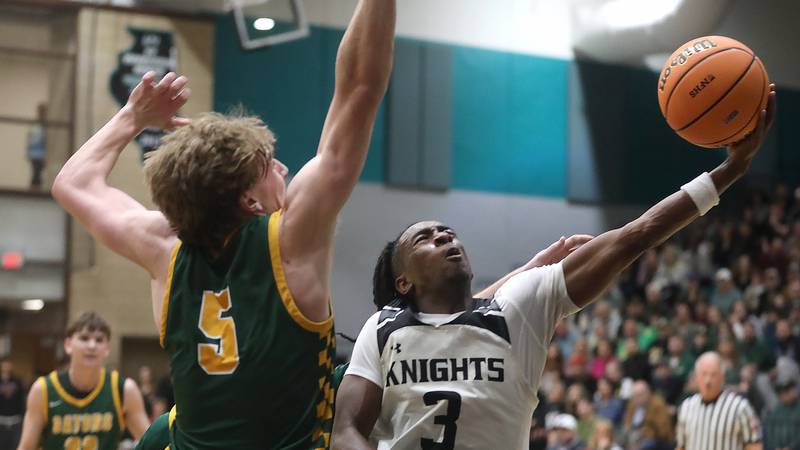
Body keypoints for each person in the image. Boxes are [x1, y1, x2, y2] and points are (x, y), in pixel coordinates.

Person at [332, 86, 776, 449]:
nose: (445, 236)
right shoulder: (383, 328)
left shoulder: (516, 309)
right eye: (424, 238)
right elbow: (347, 430)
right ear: (403, 280)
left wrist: (732, 170)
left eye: (447, 230)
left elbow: (634, 235)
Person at [51, 0, 395, 447]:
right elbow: (361, 88)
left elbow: (72, 185)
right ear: (249, 200)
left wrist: (132, 117)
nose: (286, 170)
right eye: (271, 165)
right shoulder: (289, 240)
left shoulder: (162, 250)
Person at [16, 312, 149, 450]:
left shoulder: (124, 389)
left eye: (99, 340)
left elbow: (151, 444)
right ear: (68, 345)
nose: (92, 346)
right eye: (84, 338)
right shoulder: (42, 390)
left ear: (107, 349)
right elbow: (26, 447)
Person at [676, 352, 762, 450]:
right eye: (704, 374)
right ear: (696, 377)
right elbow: (681, 446)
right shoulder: (686, 407)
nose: (707, 380)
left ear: (723, 377)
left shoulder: (740, 407)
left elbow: (754, 446)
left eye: (713, 375)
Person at [761, 379, 800, 450]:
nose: (792, 392)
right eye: (784, 392)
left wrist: (790, 447)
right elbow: (769, 432)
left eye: (791, 390)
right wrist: (775, 447)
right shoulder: (776, 410)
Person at [0, 359, 25, 449]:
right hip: (1, 421)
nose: (6, 366)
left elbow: (21, 400)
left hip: (15, 421)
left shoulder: (17, 381)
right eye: (4, 364)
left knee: (15, 446)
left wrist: (22, 417)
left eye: (8, 364)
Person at [26, 103, 47, 189]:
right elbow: (31, 139)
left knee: (38, 173)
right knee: (36, 173)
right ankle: (34, 190)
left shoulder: (45, 125)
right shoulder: (36, 126)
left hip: (40, 153)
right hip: (36, 153)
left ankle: (35, 189)